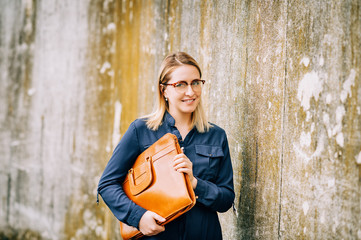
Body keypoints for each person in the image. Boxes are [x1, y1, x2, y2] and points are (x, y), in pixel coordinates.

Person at [97, 52, 235, 239]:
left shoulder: (216, 135)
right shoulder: (141, 130)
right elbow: (107, 184)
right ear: (164, 91)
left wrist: (195, 183)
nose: (190, 92)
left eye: (195, 82)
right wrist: (139, 217)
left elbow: (226, 199)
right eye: (180, 84)